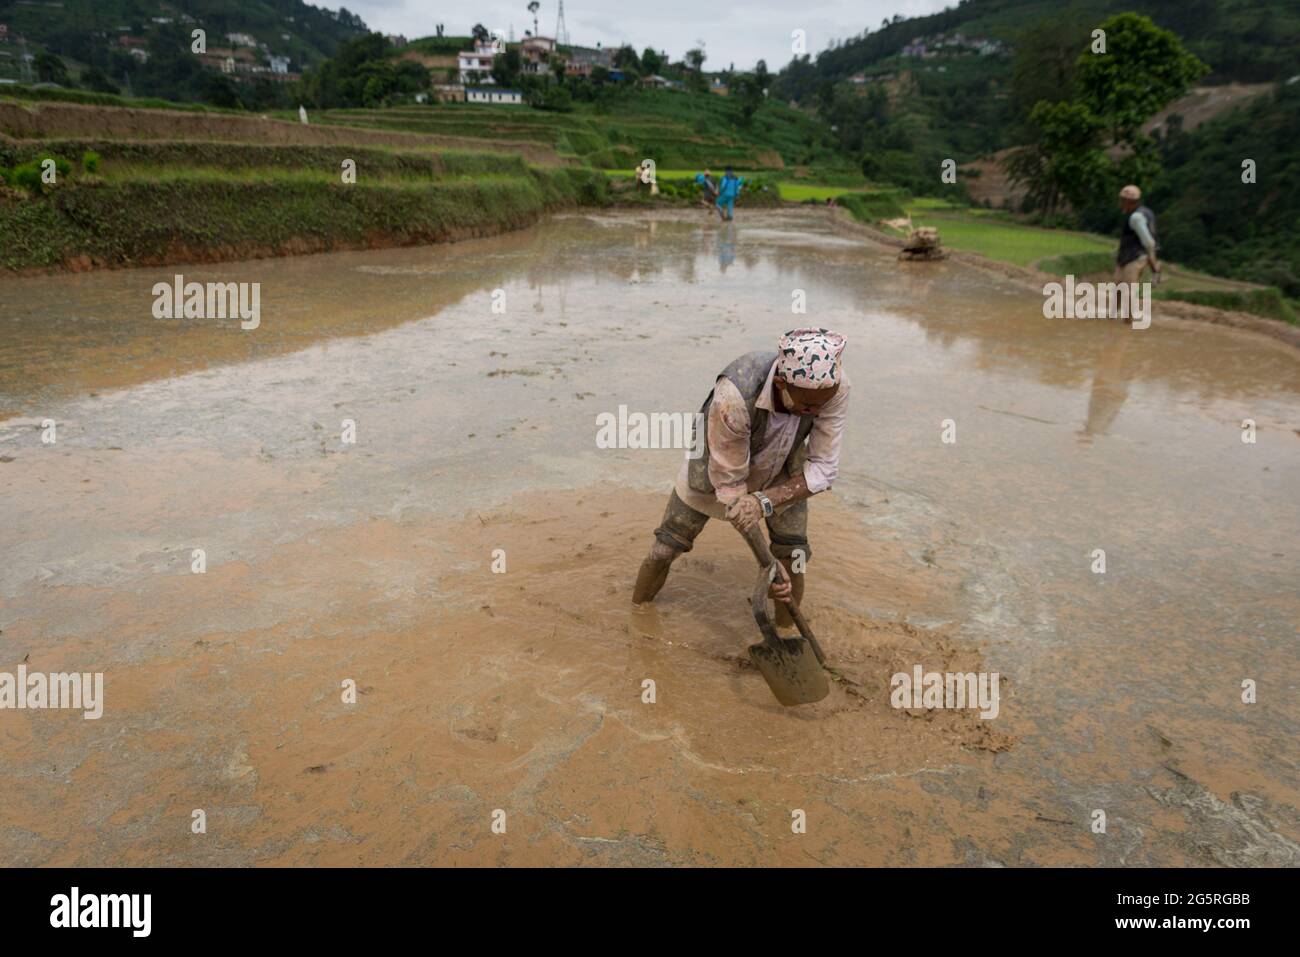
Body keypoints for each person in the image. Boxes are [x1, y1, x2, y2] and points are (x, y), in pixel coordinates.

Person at [631, 328, 851, 633]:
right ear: (780, 384)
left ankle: (788, 636)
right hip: (716, 473)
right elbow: (731, 489)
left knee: (793, 557)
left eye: (819, 407)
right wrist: (764, 561)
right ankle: (636, 618)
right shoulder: (734, 395)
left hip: (783, 473)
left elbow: (824, 468)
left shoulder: (833, 389)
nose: (813, 413)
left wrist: (765, 502)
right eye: (806, 406)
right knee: (665, 547)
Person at [1116, 184, 1159, 286]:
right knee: (1118, 287)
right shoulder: (1147, 212)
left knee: (1127, 290)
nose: (1120, 203)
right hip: (1129, 256)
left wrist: (1152, 260)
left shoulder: (1135, 217)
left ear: (1128, 202)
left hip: (1134, 257)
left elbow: (1148, 242)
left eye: (1122, 200)